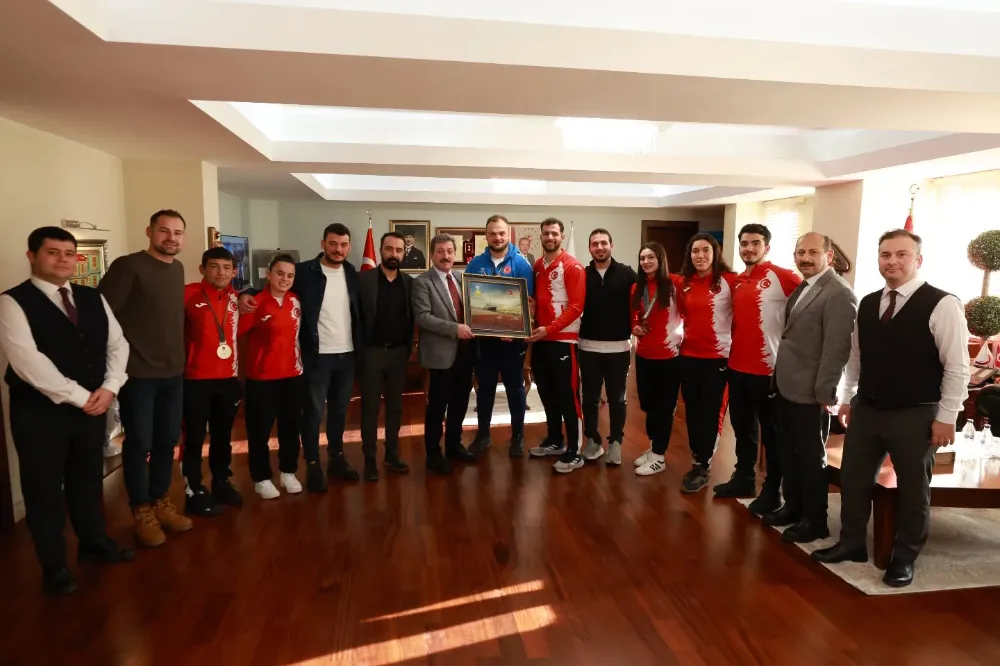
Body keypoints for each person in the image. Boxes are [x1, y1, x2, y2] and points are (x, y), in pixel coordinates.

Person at [813, 229, 970, 588]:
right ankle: (852, 543)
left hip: (916, 414)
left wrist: (947, 417)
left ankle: (904, 557)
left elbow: (957, 367)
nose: (892, 261)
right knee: (854, 480)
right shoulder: (869, 302)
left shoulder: (943, 304)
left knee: (913, 490)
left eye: (902, 254)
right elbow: (857, 357)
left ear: (918, 260)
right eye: (885, 255)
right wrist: (849, 397)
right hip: (867, 410)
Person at [0, 227, 134, 595]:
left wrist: (110, 386)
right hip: (40, 414)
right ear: (32, 256)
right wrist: (83, 396)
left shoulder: (92, 297)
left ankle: (94, 543)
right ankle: (54, 565)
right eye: (53, 252)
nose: (63, 259)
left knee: (87, 480)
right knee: (43, 490)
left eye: (69, 253)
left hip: (92, 407)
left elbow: (118, 345)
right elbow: (29, 363)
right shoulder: (12, 302)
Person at [239, 223, 364, 492]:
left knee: (339, 411)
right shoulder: (304, 272)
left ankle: (336, 458)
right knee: (313, 413)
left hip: (347, 354)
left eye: (343, 245)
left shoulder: (352, 273)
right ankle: (313, 463)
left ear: (349, 247)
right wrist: (244, 294)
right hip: (316, 356)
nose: (338, 249)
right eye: (333, 243)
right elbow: (274, 288)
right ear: (323, 244)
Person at [99, 209, 192, 547]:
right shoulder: (129, 266)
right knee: (139, 443)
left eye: (177, 233)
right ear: (149, 231)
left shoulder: (177, 268)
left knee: (167, 439)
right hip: (138, 373)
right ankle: (141, 511)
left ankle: (161, 501)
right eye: (164, 231)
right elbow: (101, 315)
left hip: (173, 371)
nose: (171, 238)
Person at [765, 232, 857, 543]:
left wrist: (826, 393)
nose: (805, 258)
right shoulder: (805, 286)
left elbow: (837, 350)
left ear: (829, 256)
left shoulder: (839, 293)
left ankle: (815, 520)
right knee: (788, 452)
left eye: (813, 252)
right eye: (800, 252)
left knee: (810, 458)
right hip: (787, 386)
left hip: (812, 393)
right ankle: (793, 507)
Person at [713, 223, 801, 517]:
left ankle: (773, 490)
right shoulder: (739, 280)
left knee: (772, 435)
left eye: (755, 243)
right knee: (743, 428)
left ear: (767, 247)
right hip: (737, 366)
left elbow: (809, 309)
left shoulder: (783, 277)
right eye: (744, 243)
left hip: (770, 371)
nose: (749, 248)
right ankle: (744, 478)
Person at [179, 247, 243, 516]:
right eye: (214, 266)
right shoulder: (187, 294)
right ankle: (193, 488)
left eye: (226, 267)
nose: (220, 272)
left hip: (228, 379)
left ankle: (221, 481)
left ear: (234, 272)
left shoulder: (237, 298)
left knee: (222, 435)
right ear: (202, 269)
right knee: (193, 437)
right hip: (194, 379)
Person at [466, 215, 535, 458]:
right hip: (484, 340)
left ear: (508, 235)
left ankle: (518, 437)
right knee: (484, 388)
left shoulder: (522, 265)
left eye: (502, 233)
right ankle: (483, 435)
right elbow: (470, 300)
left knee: (515, 388)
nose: (497, 237)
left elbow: (528, 304)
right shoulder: (475, 264)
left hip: (512, 342)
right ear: (486, 235)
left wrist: (515, 330)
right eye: (493, 233)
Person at [239, 254, 305, 499]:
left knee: (291, 427)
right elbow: (236, 333)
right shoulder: (254, 302)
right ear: (269, 274)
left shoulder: (296, 300)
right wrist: (242, 294)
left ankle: (288, 471)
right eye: (280, 273)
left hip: (293, 375)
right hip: (262, 378)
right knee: (260, 431)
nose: (284, 279)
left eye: (290, 275)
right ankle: (261, 478)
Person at [412, 234, 478, 475]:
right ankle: (433, 454)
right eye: (440, 251)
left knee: (460, 402)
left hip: (465, 352)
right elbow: (423, 317)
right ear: (432, 254)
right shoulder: (422, 282)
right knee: (437, 406)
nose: (446, 256)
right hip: (440, 354)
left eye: (450, 251)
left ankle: (453, 445)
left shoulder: (462, 279)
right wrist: (455, 329)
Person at [676, 233, 736, 492]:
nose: (700, 255)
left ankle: (703, 464)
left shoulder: (730, 281)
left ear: (715, 253)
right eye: (695, 251)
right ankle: (697, 457)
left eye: (705, 250)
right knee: (692, 411)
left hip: (718, 358)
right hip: (688, 356)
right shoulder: (685, 283)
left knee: (711, 412)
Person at [527, 218, 587, 474]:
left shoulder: (573, 267)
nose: (550, 237)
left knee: (568, 398)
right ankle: (554, 440)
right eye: (546, 233)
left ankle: (575, 451)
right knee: (547, 395)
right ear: (541, 236)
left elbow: (576, 307)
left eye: (554, 233)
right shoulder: (538, 266)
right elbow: (538, 301)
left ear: (561, 236)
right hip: (541, 341)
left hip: (564, 342)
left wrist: (549, 329)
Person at [358, 232, 414, 481]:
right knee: (370, 408)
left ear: (404, 253)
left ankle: (392, 454)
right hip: (371, 353)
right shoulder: (363, 279)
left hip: (399, 353)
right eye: (389, 249)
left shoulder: (409, 283)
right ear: (381, 250)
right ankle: (369, 460)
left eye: (399, 250)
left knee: (395, 408)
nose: (394, 254)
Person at [578, 228, 636, 465]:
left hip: (619, 349)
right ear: (589, 248)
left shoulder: (627, 274)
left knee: (617, 400)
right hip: (588, 348)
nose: (599, 247)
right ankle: (593, 440)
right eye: (595, 244)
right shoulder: (582, 275)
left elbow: (641, 302)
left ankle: (615, 443)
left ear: (612, 245)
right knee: (590, 399)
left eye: (604, 243)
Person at [629, 242, 684, 476]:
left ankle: (659, 456)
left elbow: (690, 311)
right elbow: (634, 314)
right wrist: (634, 326)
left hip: (668, 357)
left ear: (660, 259)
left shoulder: (675, 283)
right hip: (644, 355)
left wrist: (683, 336)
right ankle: (653, 448)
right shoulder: (637, 287)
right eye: (642, 258)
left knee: (664, 407)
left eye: (651, 257)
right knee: (649, 405)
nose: (646, 262)